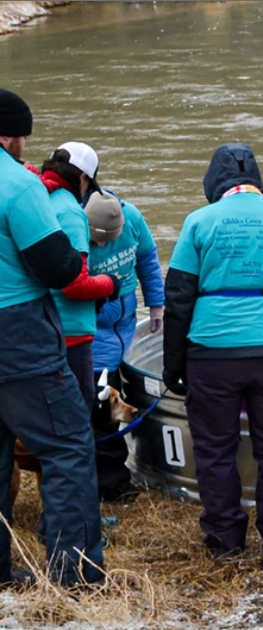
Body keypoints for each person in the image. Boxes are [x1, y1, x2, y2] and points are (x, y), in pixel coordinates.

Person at [162, 142, 263, 571]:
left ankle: (225, 542)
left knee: (214, 450)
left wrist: (174, 365)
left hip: (211, 353)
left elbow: (177, 298)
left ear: (214, 183)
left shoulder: (198, 222)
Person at [0, 90, 105, 588]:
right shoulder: (18, 186)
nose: (24, 145)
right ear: (6, 135)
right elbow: (59, 266)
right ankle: (75, 576)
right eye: (21, 135)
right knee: (67, 447)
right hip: (16, 331)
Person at [83, 165, 165, 501]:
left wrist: (156, 305)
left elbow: (147, 259)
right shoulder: (75, 225)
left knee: (108, 404)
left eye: (107, 238)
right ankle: (111, 484)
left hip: (123, 327)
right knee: (102, 412)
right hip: (92, 331)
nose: (101, 242)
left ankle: (108, 479)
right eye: (97, 238)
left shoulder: (131, 219)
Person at [37, 142, 119, 413]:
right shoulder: (71, 213)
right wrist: (109, 284)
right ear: (82, 178)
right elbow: (74, 284)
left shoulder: (38, 198)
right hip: (70, 335)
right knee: (77, 420)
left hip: (38, 328)